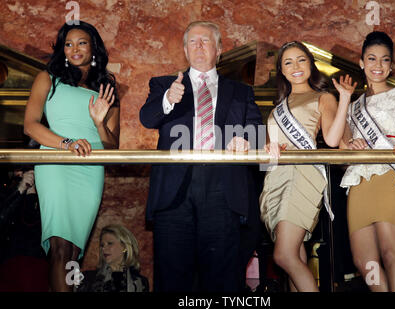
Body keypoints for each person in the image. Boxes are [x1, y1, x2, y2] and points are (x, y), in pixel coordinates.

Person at [140, 21, 263, 292]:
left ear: (219, 50)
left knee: (222, 277)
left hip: (223, 188)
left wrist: (246, 141)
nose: (198, 46)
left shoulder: (241, 92)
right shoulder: (164, 84)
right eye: (192, 42)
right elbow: (147, 118)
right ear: (184, 50)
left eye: (205, 41)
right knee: (172, 276)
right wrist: (168, 100)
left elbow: (257, 132)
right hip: (174, 191)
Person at [23, 20, 120, 292]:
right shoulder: (47, 78)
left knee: (73, 252)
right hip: (56, 162)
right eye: (68, 44)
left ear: (94, 48)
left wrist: (100, 123)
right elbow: (30, 125)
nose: (74, 49)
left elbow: (112, 147)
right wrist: (66, 143)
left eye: (81, 43)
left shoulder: (106, 89)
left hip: (91, 169)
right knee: (59, 247)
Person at [259, 41, 357, 292]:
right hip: (275, 179)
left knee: (283, 256)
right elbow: (270, 149)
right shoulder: (278, 106)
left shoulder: (322, 97)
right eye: (288, 62)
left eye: (301, 60)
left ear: (311, 64)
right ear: (281, 70)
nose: (296, 66)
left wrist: (344, 99)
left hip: (302, 176)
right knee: (296, 255)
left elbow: (333, 140)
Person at [339, 31, 395, 292]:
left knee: (390, 253)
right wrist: (351, 144)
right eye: (372, 58)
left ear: (391, 64)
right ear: (361, 62)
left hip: (393, 174)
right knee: (364, 261)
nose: (378, 66)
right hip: (360, 179)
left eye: (385, 60)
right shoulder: (354, 105)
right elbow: (342, 144)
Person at [75, 224, 149, 292]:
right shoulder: (87, 278)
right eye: (102, 245)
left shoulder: (140, 283)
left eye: (110, 243)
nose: (104, 248)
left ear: (124, 247)